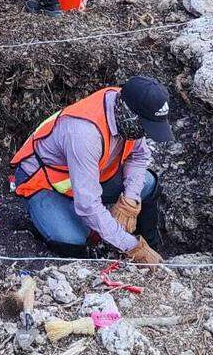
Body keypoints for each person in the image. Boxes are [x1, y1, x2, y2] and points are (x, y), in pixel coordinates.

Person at [10, 76, 171, 262]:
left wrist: (129, 202)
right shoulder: (84, 134)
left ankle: (153, 249)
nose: (145, 133)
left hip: (89, 173)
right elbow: (87, 205)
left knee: (147, 184)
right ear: (129, 114)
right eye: (144, 127)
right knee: (72, 239)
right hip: (44, 183)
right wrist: (131, 246)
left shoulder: (127, 109)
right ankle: (48, 218)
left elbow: (139, 155)